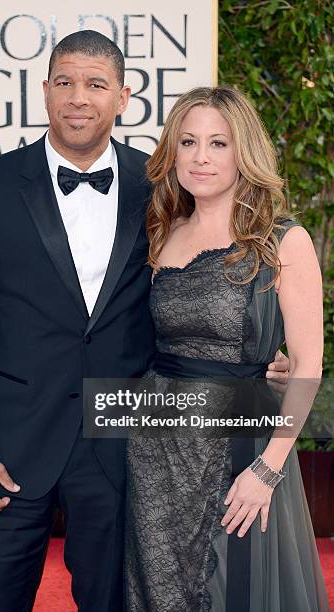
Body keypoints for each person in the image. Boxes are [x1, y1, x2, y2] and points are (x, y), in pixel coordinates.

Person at [0, 31, 289, 611]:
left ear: (124, 97)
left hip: (126, 444)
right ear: (45, 91)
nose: (79, 97)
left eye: (96, 84)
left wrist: (262, 361)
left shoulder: (164, 185)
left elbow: (213, 273)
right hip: (8, 447)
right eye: (65, 83)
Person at [124, 86, 330, 611]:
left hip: (240, 450)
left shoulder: (283, 240)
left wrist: (269, 468)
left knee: (227, 590)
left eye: (218, 143)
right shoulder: (160, 233)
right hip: (154, 449)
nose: (200, 157)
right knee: (154, 589)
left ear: (245, 152)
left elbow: (307, 364)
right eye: (188, 142)